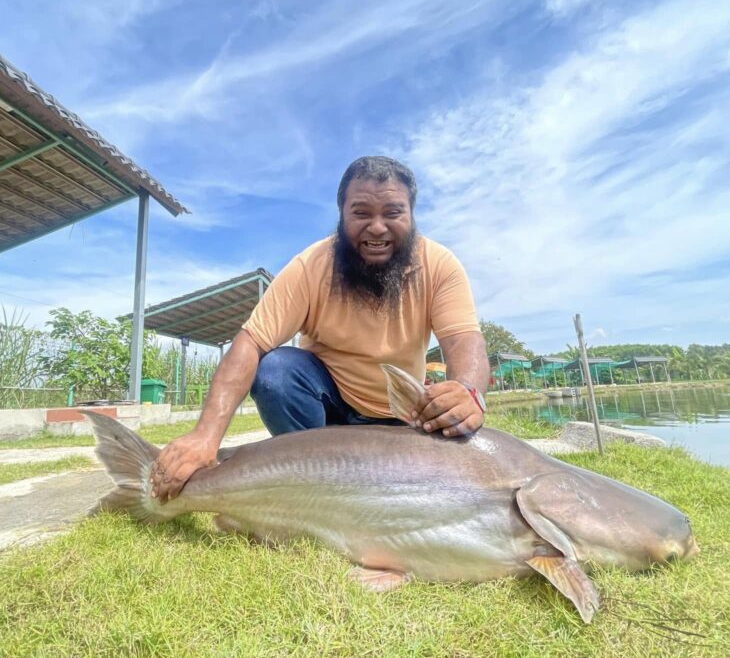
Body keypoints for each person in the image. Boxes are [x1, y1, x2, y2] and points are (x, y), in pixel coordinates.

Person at [151, 156, 489, 501]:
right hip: (326, 413)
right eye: (361, 213)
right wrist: (205, 437)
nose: (376, 227)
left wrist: (468, 391)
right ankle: (317, 484)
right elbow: (250, 342)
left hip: (404, 416)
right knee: (276, 370)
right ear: (341, 215)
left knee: (455, 437)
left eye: (392, 213)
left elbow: (462, 337)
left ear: (411, 215)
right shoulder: (312, 265)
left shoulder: (440, 265)